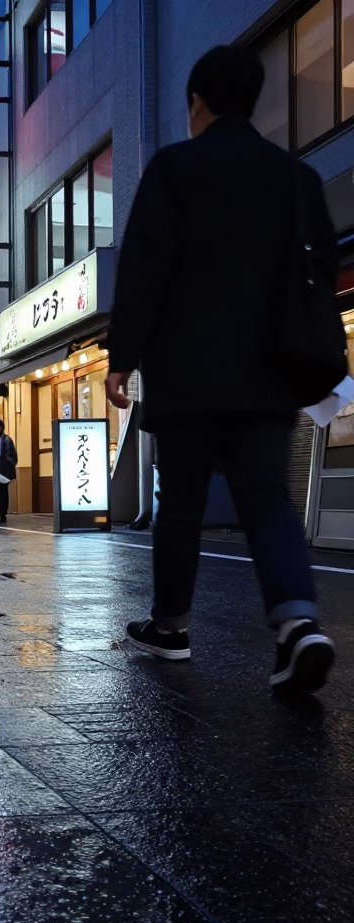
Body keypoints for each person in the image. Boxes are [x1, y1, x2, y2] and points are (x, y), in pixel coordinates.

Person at [105, 45, 338, 696]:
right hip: (270, 371)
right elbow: (316, 274)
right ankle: (298, 624)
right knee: (268, 497)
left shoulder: (176, 168)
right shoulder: (295, 177)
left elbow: (143, 269)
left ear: (197, 103)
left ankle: (171, 628)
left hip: (187, 372)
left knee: (178, 503)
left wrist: (123, 359)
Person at [0, 419, 17, 524]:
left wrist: (4, 465)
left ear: (2, 427)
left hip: (3, 470)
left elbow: (12, 456)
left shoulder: (6, 439)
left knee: (3, 492)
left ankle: (3, 515)